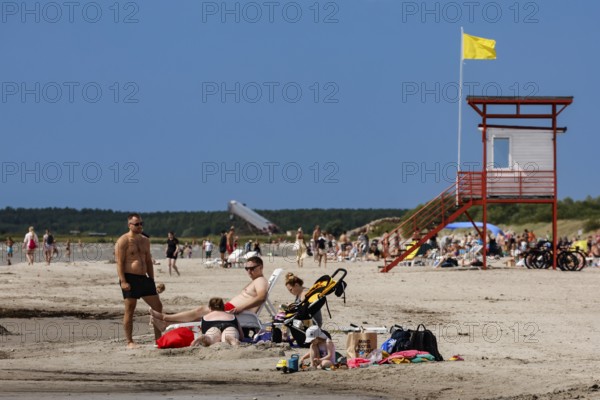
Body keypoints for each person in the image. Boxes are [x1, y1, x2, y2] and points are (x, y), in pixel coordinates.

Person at [150, 256, 268, 331]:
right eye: (246, 269)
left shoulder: (260, 280)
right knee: (199, 315)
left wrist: (240, 308)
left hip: (235, 311)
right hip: (232, 309)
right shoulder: (256, 281)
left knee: (200, 311)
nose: (249, 271)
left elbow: (262, 297)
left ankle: (165, 317)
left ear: (260, 267)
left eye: (252, 268)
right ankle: (166, 323)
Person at [115, 213, 163, 348]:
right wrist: (123, 281)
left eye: (141, 223)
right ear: (129, 225)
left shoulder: (145, 240)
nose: (140, 226)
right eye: (137, 224)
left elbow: (148, 261)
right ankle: (129, 341)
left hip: (144, 279)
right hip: (130, 278)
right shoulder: (123, 241)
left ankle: (158, 340)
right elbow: (119, 263)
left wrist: (152, 279)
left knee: (158, 307)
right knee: (130, 309)